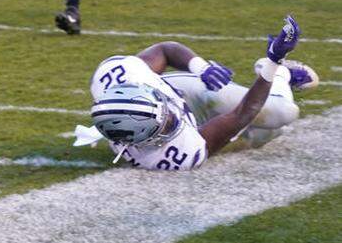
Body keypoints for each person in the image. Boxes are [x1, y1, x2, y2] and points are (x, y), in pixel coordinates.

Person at [79, 16, 314, 169]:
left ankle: (281, 74)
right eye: (166, 123)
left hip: (183, 93)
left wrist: (201, 67)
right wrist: (275, 59)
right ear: (146, 141)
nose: (172, 117)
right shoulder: (171, 155)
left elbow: (165, 50)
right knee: (273, 131)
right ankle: (278, 71)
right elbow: (241, 115)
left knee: (282, 112)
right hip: (195, 133)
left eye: (165, 114)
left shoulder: (122, 74)